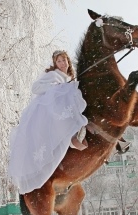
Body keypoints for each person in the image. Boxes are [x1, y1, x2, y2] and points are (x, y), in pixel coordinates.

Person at [8, 50, 88, 194]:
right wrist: (55, 88)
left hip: (61, 112)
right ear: (55, 64)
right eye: (59, 61)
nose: (62, 63)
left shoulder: (70, 78)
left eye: (64, 60)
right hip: (49, 112)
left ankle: (74, 136)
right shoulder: (53, 75)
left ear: (68, 62)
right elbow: (35, 88)